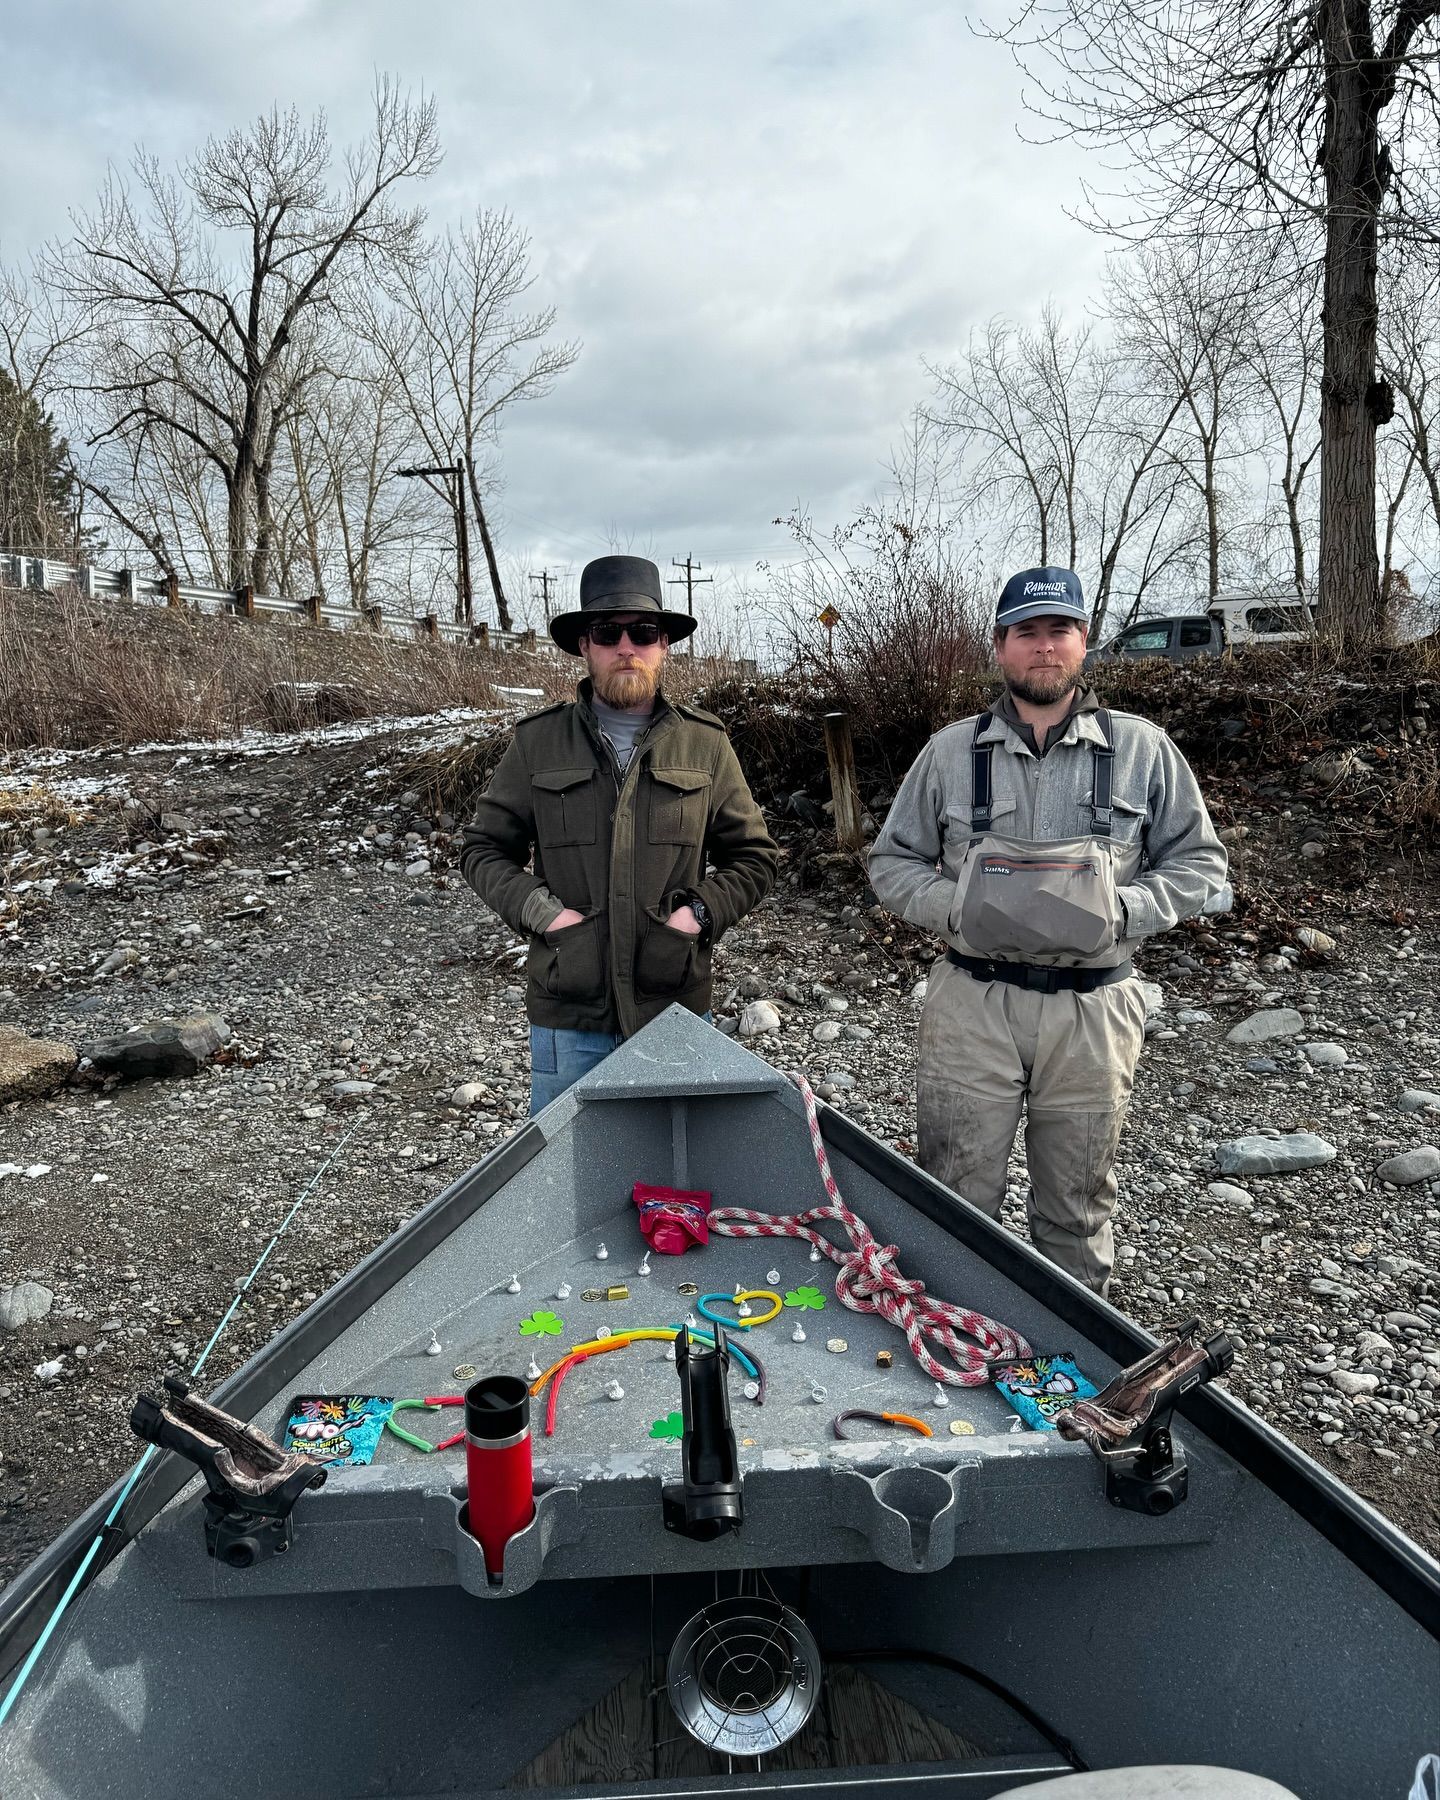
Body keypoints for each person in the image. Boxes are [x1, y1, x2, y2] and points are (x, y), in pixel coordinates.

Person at [869, 566, 1227, 1295]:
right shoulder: (946, 752)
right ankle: (949, 1346)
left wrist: (1124, 912)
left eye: (1058, 630)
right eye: (1025, 632)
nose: (1043, 648)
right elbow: (892, 861)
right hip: (973, 1005)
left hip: (1095, 1013)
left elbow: (1201, 864)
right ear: (1000, 647)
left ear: (1084, 643)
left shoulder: (1143, 749)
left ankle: (1071, 1369)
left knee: (1076, 1206)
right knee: (954, 1197)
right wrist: (957, 908)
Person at [460, 554, 779, 1112]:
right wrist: (545, 915)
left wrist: (696, 915)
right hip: (569, 1012)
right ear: (585, 645)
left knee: (674, 1177)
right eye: (608, 632)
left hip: (674, 1005)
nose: (626, 646)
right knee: (568, 1177)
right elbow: (484, 850)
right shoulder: (539, 743)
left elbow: (754, 857)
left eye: (643, 632)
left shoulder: (704, 744)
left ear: (664, 645)